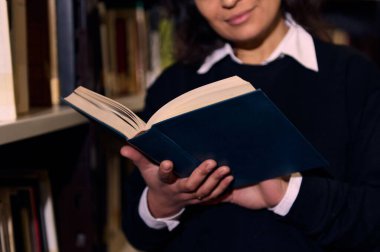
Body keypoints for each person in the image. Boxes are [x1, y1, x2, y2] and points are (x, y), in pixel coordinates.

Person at [120, 0, 380, 251]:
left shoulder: (355, 77)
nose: (229, 2)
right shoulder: (173, 85)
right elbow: (137, 233)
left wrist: (286, 194)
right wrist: (161, 203)